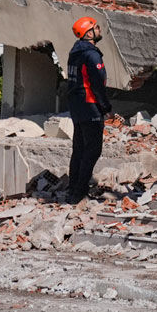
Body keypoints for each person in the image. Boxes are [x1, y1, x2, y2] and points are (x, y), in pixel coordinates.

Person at [65, 16, 113, 203]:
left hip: (77, 106)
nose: (99, 29)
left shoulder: (75, 52)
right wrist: (106, 108)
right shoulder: (91, 55)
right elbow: (97, 84)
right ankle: (79, 193)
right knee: (92, 150)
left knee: (79, 149)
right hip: (90, 105)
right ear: (89, 33)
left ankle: (72, 190)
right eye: (96, 27)